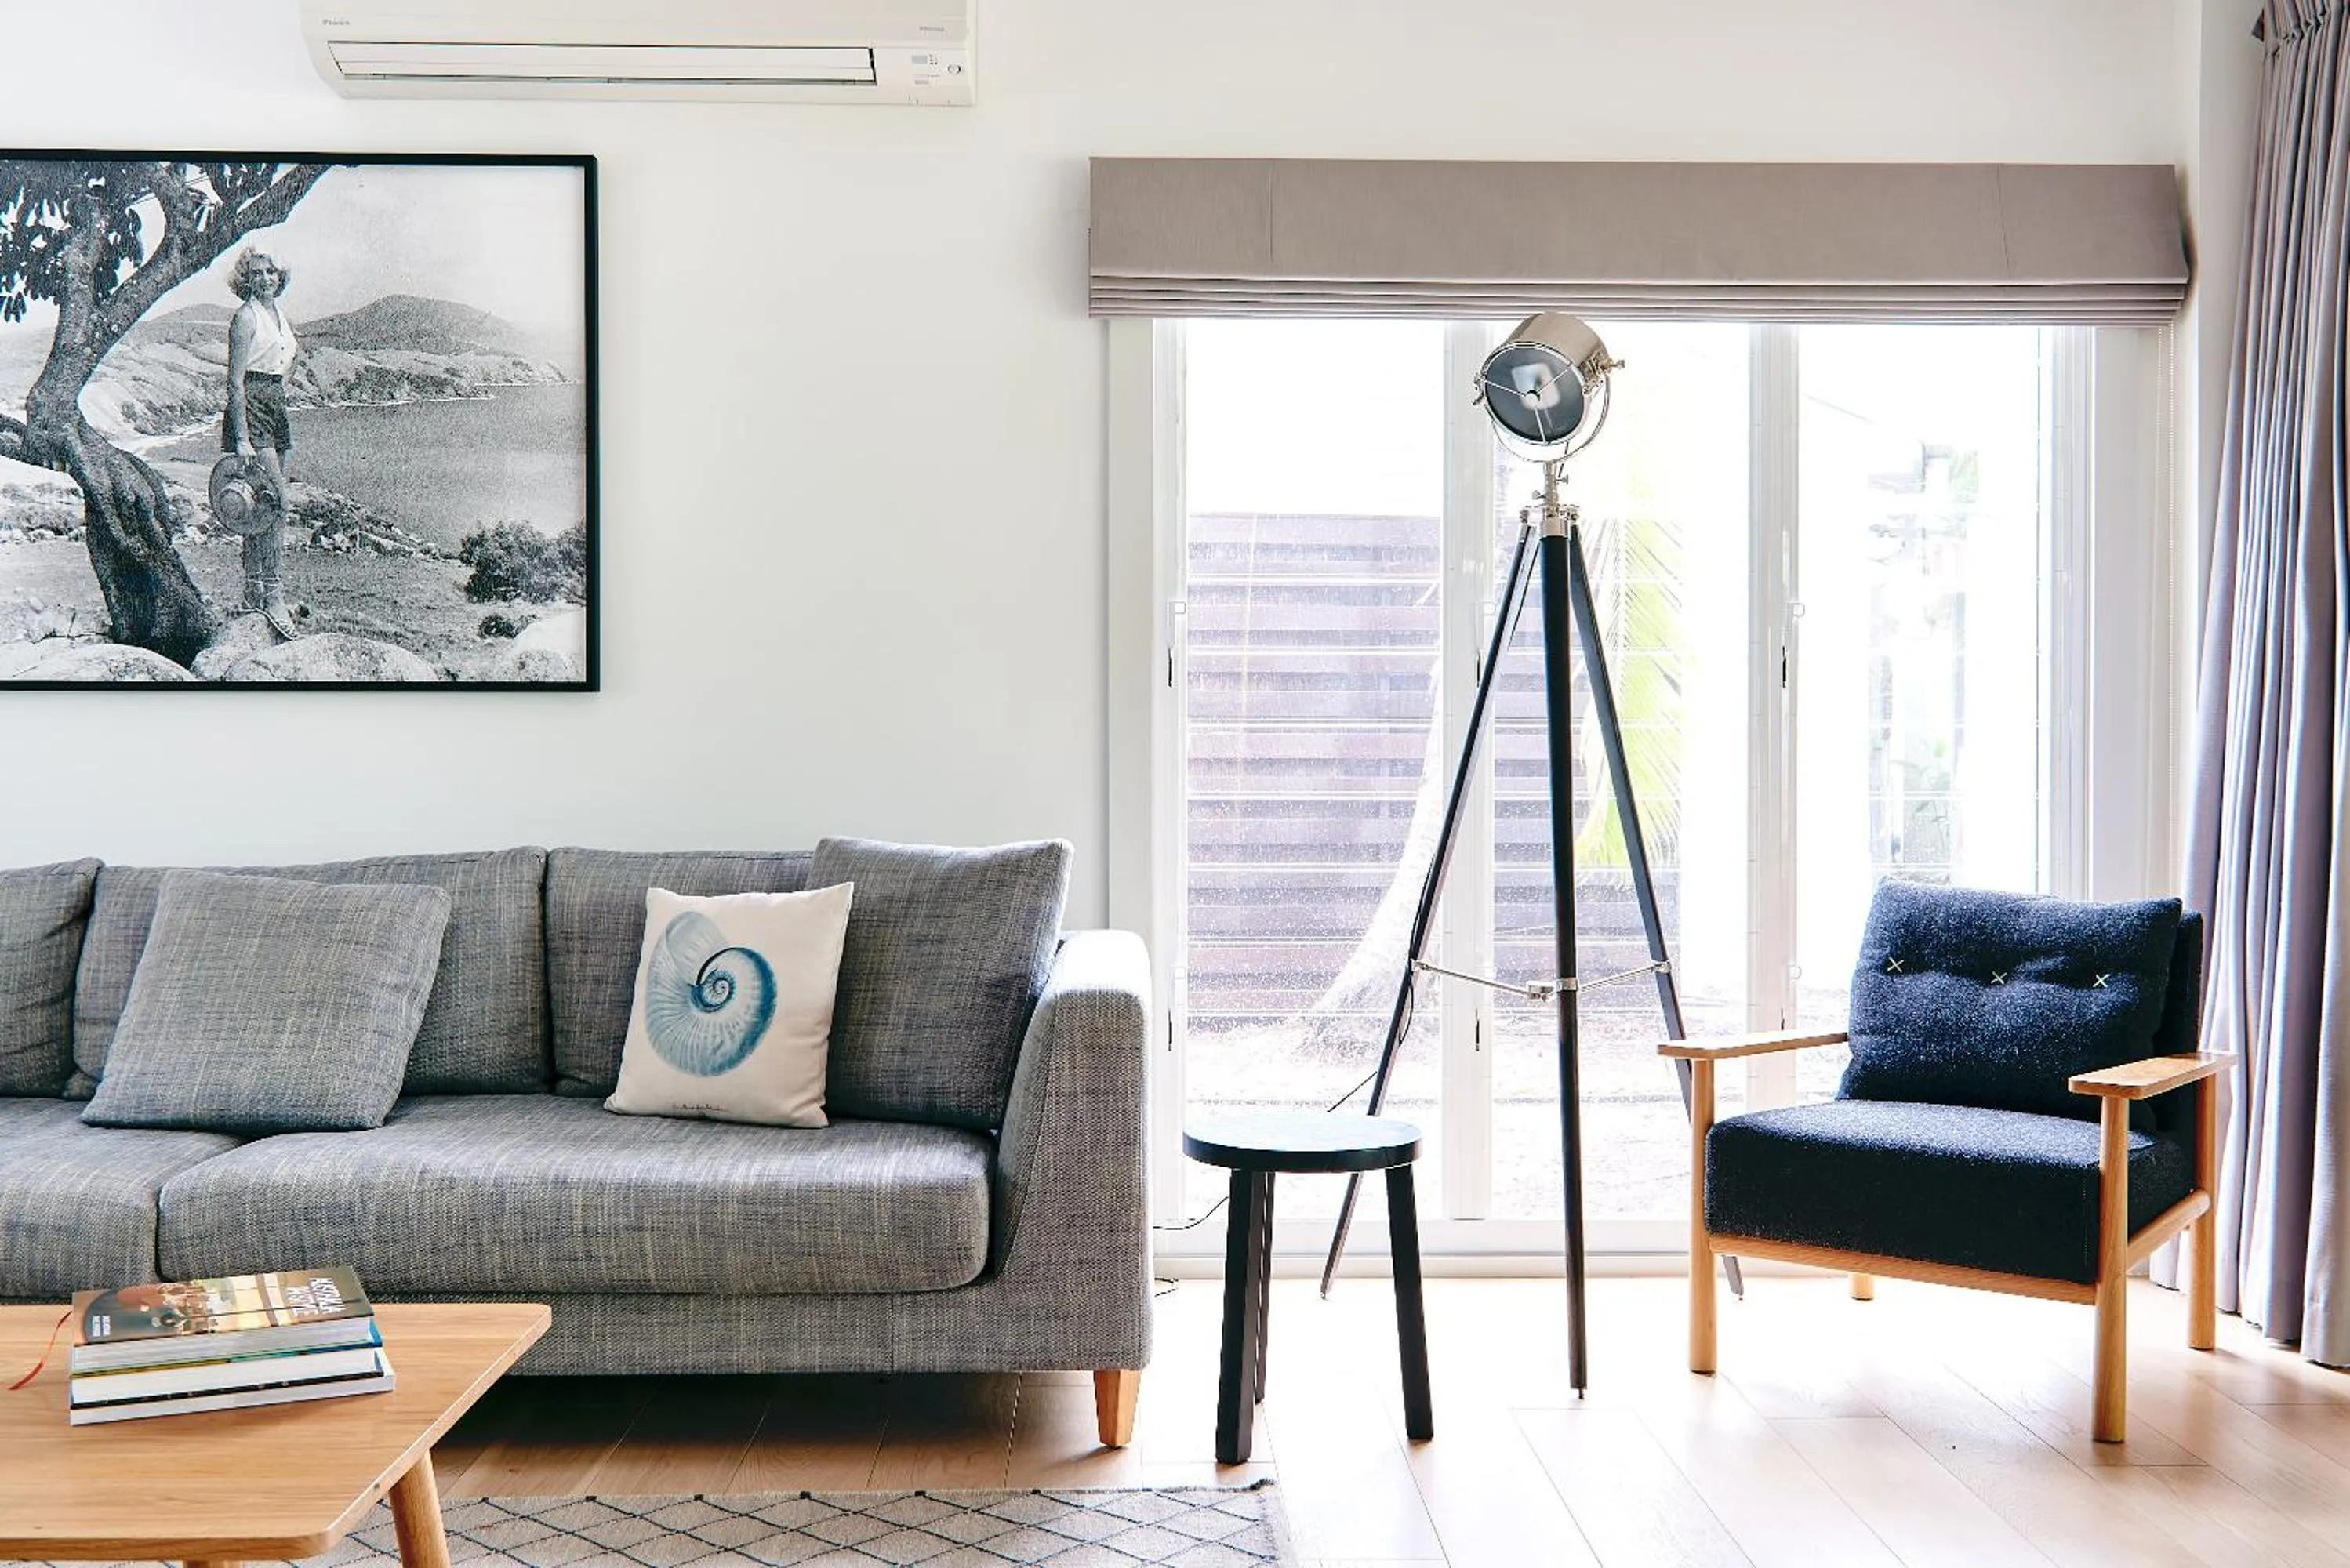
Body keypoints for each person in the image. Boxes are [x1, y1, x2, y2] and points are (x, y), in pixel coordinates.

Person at [222, 248, 300, 637]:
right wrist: (242, 437)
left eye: (272, 272)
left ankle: (254, 591)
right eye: (257, 273)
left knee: (261, 508)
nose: (266, 278)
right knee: (277, 504)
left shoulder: (279, 316)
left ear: (279, 277)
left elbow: (286, 362)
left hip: (275, 402)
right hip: (252, 404)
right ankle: (273, 597)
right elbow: (235, 382)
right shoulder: (245, 317)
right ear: (246, 280)